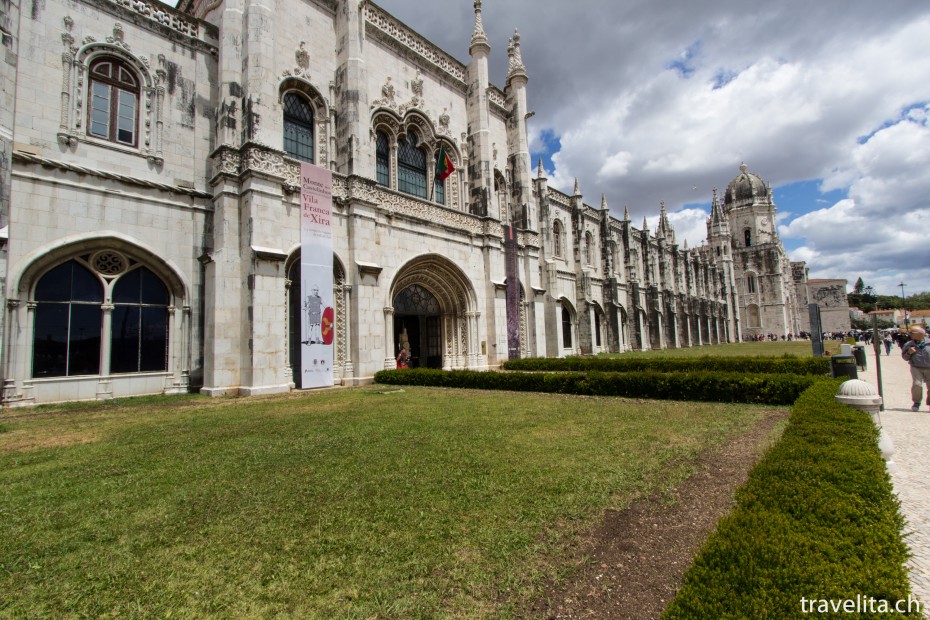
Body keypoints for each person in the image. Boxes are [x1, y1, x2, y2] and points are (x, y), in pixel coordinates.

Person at [901, 326, 930, 411]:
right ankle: (916, 402)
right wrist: (909, 353)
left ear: (920, 334)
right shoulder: (909, 344)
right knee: (917, 384)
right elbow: (905, 357)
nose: (910, 334)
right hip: (916, 367)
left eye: (912, 333)